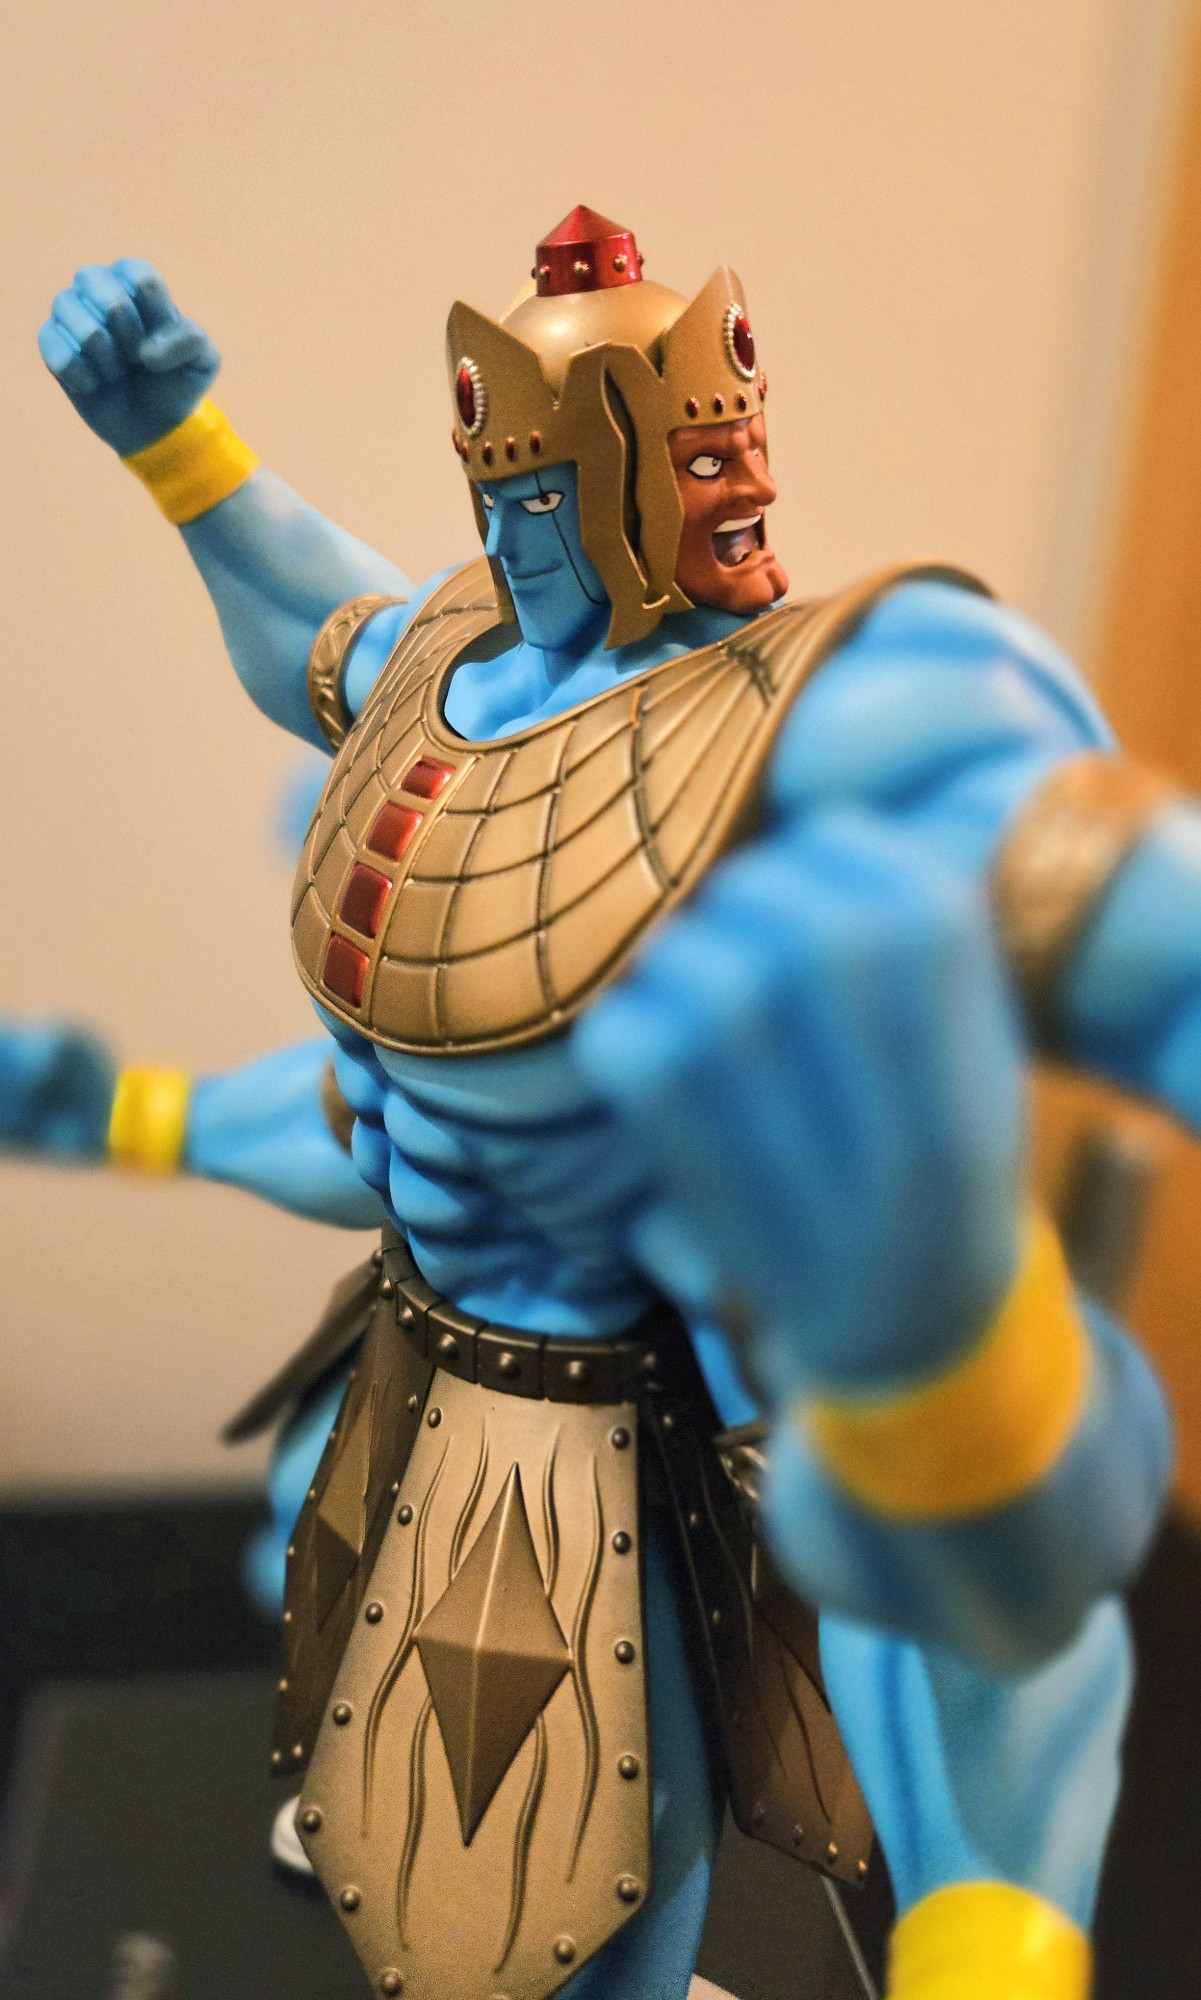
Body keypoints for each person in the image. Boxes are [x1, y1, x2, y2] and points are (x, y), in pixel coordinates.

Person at [38, 206, 1188, 1999]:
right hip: (411, 1355)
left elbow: (1111, 893)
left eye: (739, 449)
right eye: (696, 458)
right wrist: (177, 444)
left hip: (626, 1431)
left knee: (547, 1918)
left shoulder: (826, 710)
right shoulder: (454, 662)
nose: (745, 491)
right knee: (313, 1620)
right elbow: (311, 635)